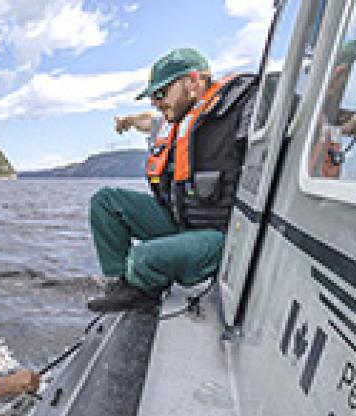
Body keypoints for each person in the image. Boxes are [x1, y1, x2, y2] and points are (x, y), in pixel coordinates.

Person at [86, 48, 256, 312]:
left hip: (220, 236)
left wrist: (342, 122)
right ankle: (123, 286)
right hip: (183, 222)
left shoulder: (244, 106)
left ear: (193, 81)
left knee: (143, 258)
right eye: (153, 97)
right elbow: (149, 121)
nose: (155, 102)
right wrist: (129, 120)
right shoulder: (177, 120)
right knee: (106, 202)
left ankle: (142, 290)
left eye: (161, 93)